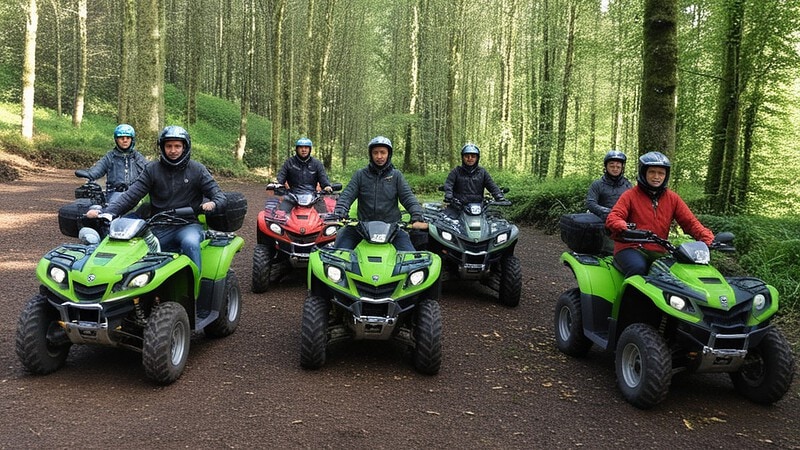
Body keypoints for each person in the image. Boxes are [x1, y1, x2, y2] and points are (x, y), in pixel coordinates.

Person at [86, 125, 227, 272]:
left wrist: (213, 203)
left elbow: (219, 196)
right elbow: (131, 195)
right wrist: (108, 212)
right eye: (169, 146)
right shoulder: (152, 169)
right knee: (134, 248)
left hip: (187, 225)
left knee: (190, 243)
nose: (173, 151)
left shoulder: (197, 169)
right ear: (162, 147)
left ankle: (196, 291)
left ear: (185, 147)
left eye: (177, 146)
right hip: (158, 225)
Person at [605, 151, 714, 277]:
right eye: (652, 172)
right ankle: (628, 297)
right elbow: (614, 216)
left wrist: (707, 238)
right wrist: (622, 226)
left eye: (661, 173)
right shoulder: (630, 195)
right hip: (630, 248)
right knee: (638, 268)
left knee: (677, 275)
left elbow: (690, 222)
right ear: (644, 173)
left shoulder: (672, 198)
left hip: (659, 250)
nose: (656, 176)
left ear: (666, 176)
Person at [332, 136, 425, 251]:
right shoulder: (360, 175)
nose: (379, 156)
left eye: (383, 152)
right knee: (338, 254)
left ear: (388, 154)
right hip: (363, 227)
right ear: (370, 155)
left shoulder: (396, 176)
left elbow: (408, 198)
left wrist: (416, 215)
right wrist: (340, 211)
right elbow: (347, 195)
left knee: (410, 258)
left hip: (392, 228)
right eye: (375, 153)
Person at [82, 124, 148, 203]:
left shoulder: (137, 157)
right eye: (121, 138)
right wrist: (90, 174)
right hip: (115, 193)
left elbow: (149, 170)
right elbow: (98, 170)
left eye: (128, 138)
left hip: (135, 193)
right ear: (116, 139)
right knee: (114, 207)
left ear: (132, 139)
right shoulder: (110, 157)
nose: (125, 140)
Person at [442, 143, 506, 218]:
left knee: (493, 222)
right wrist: (449, 195)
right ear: (462, 157)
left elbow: (491, 185)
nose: (470, 158)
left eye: (473, 156)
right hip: (458, 206)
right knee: (446, 222)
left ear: (477, 158)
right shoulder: (456, 171)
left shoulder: (482, 172)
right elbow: (449, 184)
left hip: (478, 207)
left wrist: (498, 196)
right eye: (467, 156)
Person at [273, 137, 333, 214]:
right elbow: (281, 177)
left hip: (313, 196)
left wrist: (327, 186)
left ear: (310, 149)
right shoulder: (289, 162)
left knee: (324, 218)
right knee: (280, 217)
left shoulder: (317, 164)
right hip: (292, 195)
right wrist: (277, 184)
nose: (303, 150)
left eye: (306, 147)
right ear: (297, 149)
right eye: (301, 147)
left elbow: (323, 179)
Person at [586, 150, 632, 220]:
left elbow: (633, 205)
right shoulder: (597, 184)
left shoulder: (627, 185)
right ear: (606, 167)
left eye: (618, 166)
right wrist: (609, 212)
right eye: (612, 166)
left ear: (622, 168)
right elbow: (591, 203)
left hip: (623, 220)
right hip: (601, 221)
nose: (615, 169)